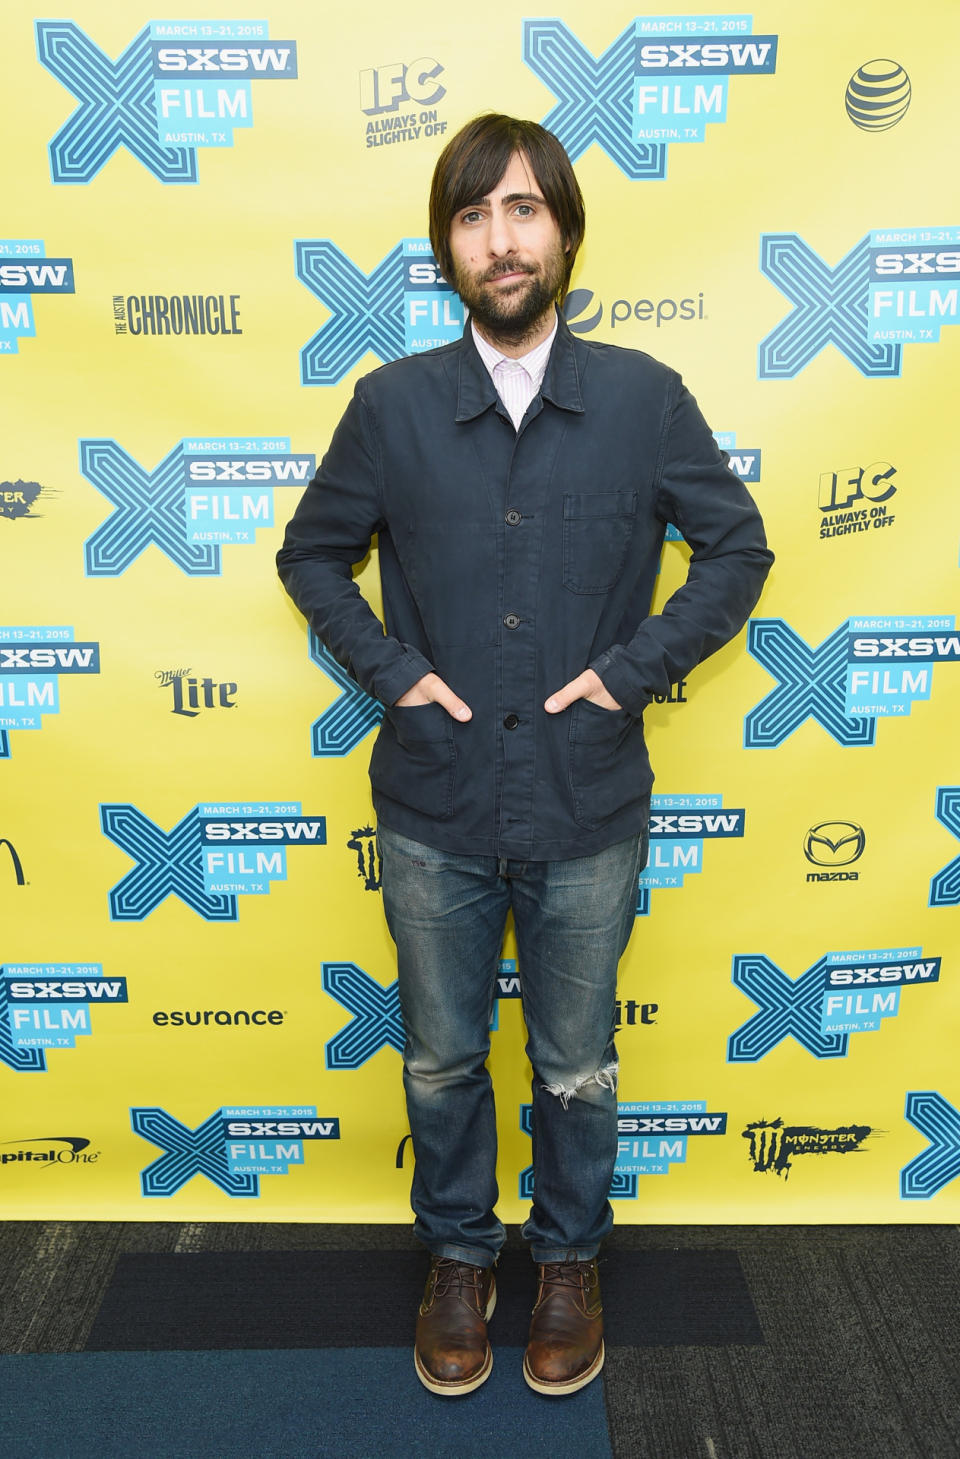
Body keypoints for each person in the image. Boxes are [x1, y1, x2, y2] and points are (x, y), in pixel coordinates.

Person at [277, 112, 773, 1398]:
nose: (502, 240)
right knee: (442, 1054)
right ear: (446, 245)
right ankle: (457, 1252)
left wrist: (631, 669)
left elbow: (738, 549)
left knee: (576, 1061)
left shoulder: (644, 399)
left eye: (525, 210)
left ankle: (565, 1259)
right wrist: (393, 673)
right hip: (433, 802)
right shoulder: (387, 409)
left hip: (587, 803)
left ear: (564, 230)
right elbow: (311, 556)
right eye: (473, 215)